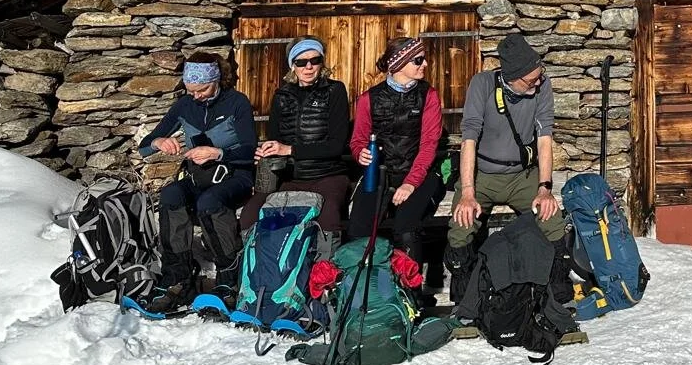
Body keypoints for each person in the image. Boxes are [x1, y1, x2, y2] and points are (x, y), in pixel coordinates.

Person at [137, 53, 256, 313]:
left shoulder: (237, 103)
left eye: (202, 89)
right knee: (170, 195)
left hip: (235, 175)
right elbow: (145, 144)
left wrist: (218, 153)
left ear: (217, 80)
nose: (197, 96)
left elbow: (250, 150)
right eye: (191, 91)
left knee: (209, 202)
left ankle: (228, 278)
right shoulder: (184, 106)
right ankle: (177, 277)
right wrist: (158, 142)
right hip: (199, 177)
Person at [448, 33, 565, 262]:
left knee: (551, 219)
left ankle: (554, 287)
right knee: (462, 223)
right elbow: (469, 138)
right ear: (512, 78)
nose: (538, 83)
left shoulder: (542, 85)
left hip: (522, 175)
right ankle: (466, 289)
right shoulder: (482, 84)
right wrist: (468, 192)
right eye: (531, 81)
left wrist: (544, 189)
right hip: (482, 175)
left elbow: (544, 138)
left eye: (539, 77)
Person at [239, 36, 351, 251]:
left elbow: (337, 145)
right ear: (293, 65)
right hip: (290, 176)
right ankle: (258, 274)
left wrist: (289, 149)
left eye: (315, 60)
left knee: (327, 219)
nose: (308, 67)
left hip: (327, 174)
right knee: (251, 214)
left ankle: (324, 278)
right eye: (301, 62)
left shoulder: (335, 91)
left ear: (322, 63)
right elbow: (275, 139)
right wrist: (266, 152)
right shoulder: (282, 96)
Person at [347, 37, 445, 267]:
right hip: (379, 172)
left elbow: (429, 144)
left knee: (406, 226)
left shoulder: (428, 96)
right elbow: (358, 139)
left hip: (418, 174)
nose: (425, 65)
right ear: (398, 64)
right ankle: (365, 287)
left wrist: (410, 183)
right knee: (359, 229)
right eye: (418, 60)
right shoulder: (368, 99)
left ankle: (411, 291)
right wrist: (360, 153)